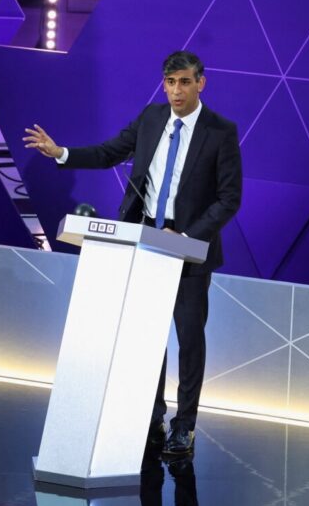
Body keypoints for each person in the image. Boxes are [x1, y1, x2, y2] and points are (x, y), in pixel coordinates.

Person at [25, 50, 242, 456]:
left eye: (184, 82)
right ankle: (154, 417)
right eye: (170, 82)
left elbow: (229, 199)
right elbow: (109, 153)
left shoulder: (220, 132)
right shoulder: (151, 120)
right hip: (145, 248)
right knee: (149, 339)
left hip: (190, 254)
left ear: (200, 83)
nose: (176, 90)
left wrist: (187, 236)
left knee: (189, 340)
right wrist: (62, 153)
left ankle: (185, 426)